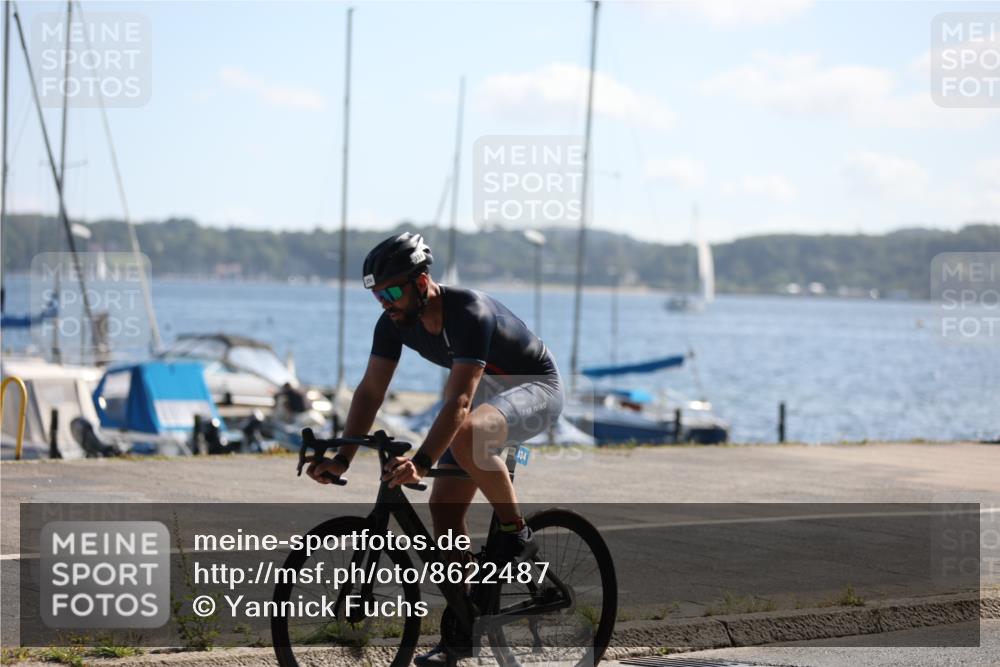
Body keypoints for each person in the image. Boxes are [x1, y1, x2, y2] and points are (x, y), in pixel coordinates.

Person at [306, 232, 563, 664]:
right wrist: (343, 456)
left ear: (421, 282)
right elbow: (370, 392)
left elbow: (460, 402)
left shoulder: (469, 312)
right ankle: (462, 631)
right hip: (487, 399)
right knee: (444, 511)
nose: (384, 302)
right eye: (376, 294)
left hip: (533, 388)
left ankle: (516, 532)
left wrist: (422, 462)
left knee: (467, 435)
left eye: (391, 291)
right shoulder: (393, 323)